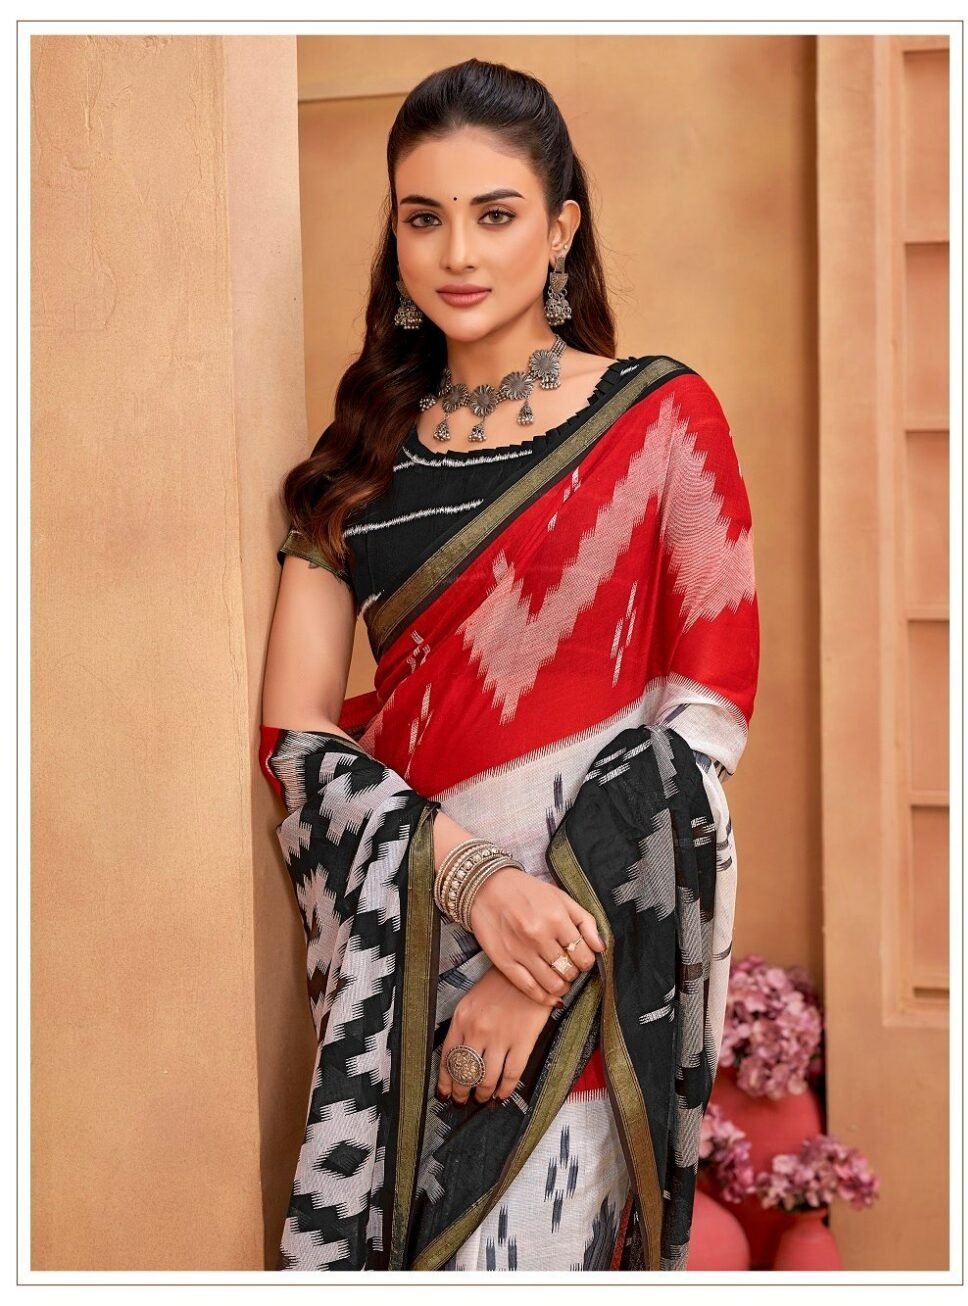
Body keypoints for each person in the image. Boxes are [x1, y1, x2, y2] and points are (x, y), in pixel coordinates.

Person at [259, 58, 759, 1273]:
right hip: (412, 963)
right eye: (421, 218)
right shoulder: (352, 465)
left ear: (561, 229)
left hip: (590, 964)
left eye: (494, 215)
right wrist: (469, 879)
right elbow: (294, 739)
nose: (455, 254)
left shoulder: (659, 416)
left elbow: (699, 727)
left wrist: (544, 970)